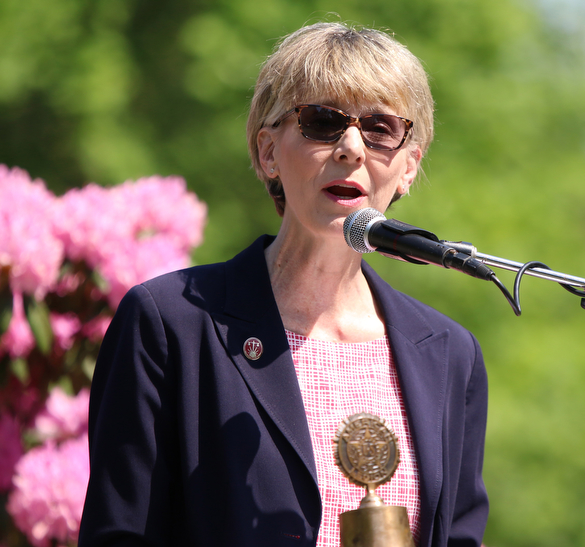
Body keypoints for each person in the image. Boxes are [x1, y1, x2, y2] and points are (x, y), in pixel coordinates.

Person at [78, 22, 489, 547]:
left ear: (409, 165)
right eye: (322, 121)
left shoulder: (449, 353)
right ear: (268, 152)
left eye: (381, 128)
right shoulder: (171, 324)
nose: (351, 148)